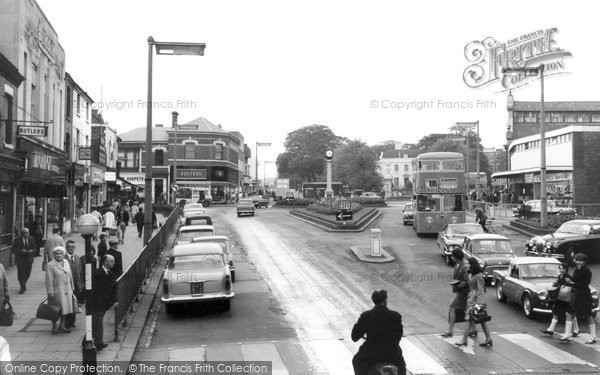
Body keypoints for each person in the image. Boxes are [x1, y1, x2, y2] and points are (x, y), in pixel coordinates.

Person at [351, 290, 406, 375]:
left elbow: (354, 337)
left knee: (357, 361)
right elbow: (398, 336)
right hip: (392, 354)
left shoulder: (366, 316)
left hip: (370, 354)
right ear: (385, 300)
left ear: (374, 301)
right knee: (401, 368)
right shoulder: (395, 316)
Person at [559, 253, 598, 344]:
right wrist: (567, 279)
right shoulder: (576, 270)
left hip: (584, 295)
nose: (578, 262)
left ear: (584, 261)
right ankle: (567, 334)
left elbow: (583, 285)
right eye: (577, 260)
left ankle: (593, 337)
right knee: (569, 312)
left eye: (581, 261)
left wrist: (571, 282)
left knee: (588, 315)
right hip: (576, 295)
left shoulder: (587, 271)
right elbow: (574, 280)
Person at [455, 257, 493, 347]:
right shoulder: (471, 274)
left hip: (476, 301)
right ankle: (488, 338)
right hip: (471, 298)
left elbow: (481, 291)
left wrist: (480, 304)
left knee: (468, 318)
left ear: (473, 265)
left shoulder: (479, 276)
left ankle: (464, 340)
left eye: (468, 264)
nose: (466, 265)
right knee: (481, 319)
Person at [442, 248, 474, 338]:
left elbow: (467, 280)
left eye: (452, 256)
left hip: (463, 292)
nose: (451, 257)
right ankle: (473, 329)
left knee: (452, 307)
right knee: (466, 310)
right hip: (460, 291)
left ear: (456, 257)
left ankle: (450, 331)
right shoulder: (458, 263)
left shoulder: (465, 266)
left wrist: (458, 285)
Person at [541, 262, 579, 337]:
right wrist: (555, 284)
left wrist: (564, 284)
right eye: (560, 268)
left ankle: (576, 330)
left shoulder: (568, 277)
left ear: (566, 269)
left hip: (566, 298)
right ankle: (551, 329)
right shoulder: (560, 276)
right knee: (555, 311)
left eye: (563, 269)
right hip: (560, 297)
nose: (561, 270)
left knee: (570, 314)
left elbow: (571, 287)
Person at [45, 246, 75, 334]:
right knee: (54, 310)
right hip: (57, 291)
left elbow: (70, 276)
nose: (58, 255)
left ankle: (62, 325)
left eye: (60, 253)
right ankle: (54, 326)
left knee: (65, 309)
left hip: (67, 290)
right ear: (54, 255)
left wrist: (72, 287)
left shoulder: (66, 262)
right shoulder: (50, 265)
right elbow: (48, 280)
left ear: (63, 254)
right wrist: (50, 292)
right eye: (56, 254)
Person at [91, 254, 118, 351]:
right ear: (106, 262)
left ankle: (85, 341)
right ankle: (98, 343)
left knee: (95, 324)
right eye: (112, 261)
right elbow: (90, 289)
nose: (114, 263)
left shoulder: (111, 274)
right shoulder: (96, 273)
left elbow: (113, 288)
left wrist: (114, 300)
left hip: (105, 303)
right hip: (96, 303)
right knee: (98, 323)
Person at [64, 240, 83, 329]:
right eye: (69, 247)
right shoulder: (63, 259)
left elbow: (80, 272)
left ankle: (72, 321)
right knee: (68, 303)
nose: (71, 248)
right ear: (66, 248)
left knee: (75, 303)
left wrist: (81, 283)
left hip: (77, 285)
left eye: (72, 247)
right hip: (67, 285)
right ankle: (67, 322)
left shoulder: (78, 258)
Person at [12, 228, 36, 293]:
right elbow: (14, 249)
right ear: (22, 233)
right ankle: (22, 287)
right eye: (25, 233)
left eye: (27, 233)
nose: (26, 234)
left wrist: (32, 250)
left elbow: (35, 248)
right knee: (21, 272)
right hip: (20, 259)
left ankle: (23, 283)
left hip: (29, 259)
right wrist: (20, 251)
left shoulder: (31, 239)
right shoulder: (17, 240)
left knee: (28, 273)